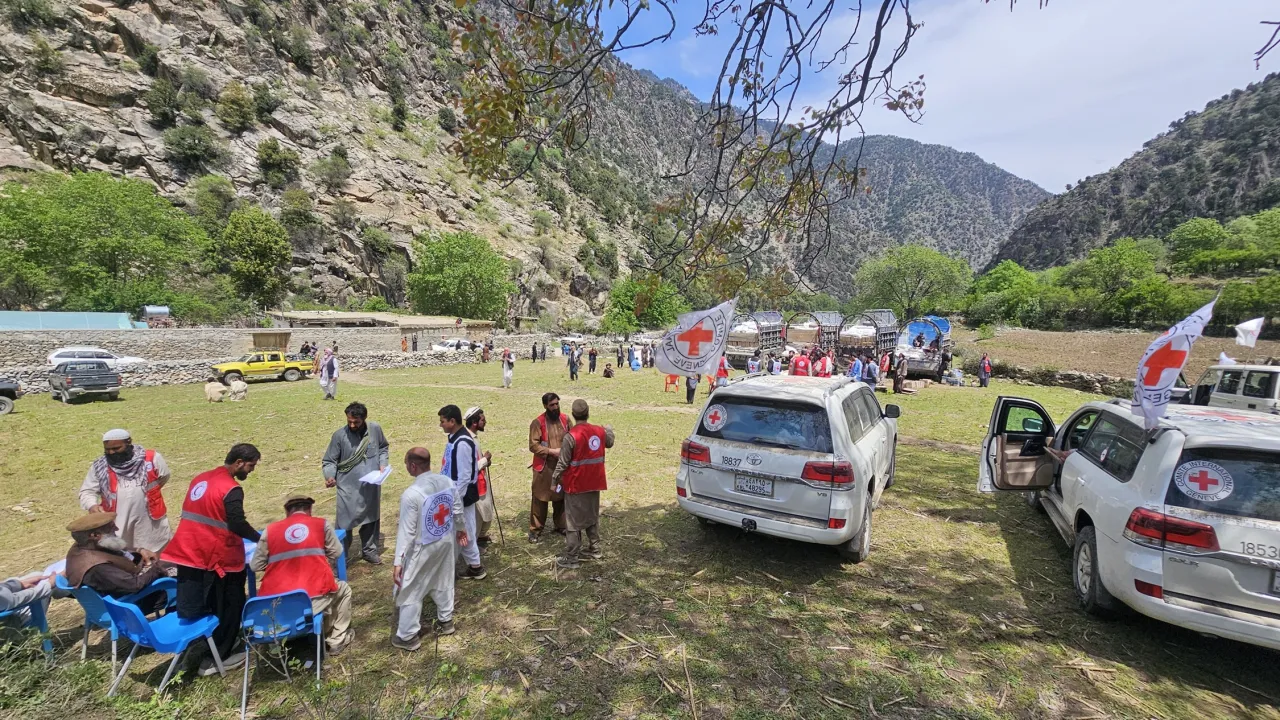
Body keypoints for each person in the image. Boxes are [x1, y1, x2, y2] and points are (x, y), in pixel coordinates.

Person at [160, 443, 263, 676]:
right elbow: (237, 523)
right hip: (215, 558)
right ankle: (218, 657)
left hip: (187, 551)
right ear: (238, 462)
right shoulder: (231, 489)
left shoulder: (201, 478)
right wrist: (261, 539)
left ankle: (207, 644)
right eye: (250, 465)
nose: (251, 470)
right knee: (230, 604)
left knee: (203, 605)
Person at [251, 494, 353, 655]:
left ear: (286, 511)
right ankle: (336, 640)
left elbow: (256, 565)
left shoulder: (270, 530)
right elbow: (337, 552)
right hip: (312, 597)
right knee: (343, 589)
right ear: (309, 509)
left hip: (274, 605)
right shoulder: (321, 524)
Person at [392, 448, 465, 650]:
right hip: (445, 541)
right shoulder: (447, 482)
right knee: (444, 578)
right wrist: (461, 529)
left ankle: (407, 635)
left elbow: (406, 531)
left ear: (413, 466)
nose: (406, 467)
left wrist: (398, 561)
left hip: (422, 547)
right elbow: (457, 508)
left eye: (407, 464)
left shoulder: (411, 495)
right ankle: (446, 620)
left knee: (411, 587)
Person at [80, 429, 172, 553]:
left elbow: (164, 477)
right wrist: (92, 505)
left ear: (129, 443)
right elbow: (87, 491)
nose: (111, 453)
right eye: (107, 450)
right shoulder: (100, 466)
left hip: (150, 522)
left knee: (157, 552)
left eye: (116, 448)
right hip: (118, 523)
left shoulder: (151, 458)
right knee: (124, 554)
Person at [65, 512, 172, 614]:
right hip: (130, 604)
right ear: (95, 535)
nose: (116, 529)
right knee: (183, 580)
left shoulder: (81, 548)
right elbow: (135, 585)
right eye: (111, 528)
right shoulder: (97, 567)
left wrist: (139, 551)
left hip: (120, 595)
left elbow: (118, 552)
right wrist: (157, 568)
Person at [323, 402, 390, 564]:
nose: (352, 425)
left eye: (356, 422)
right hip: (348, 487)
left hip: (371, 485)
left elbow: (383, 448)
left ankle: (369, 551)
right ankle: (341, 557)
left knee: (372, 518)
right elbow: (329, 461)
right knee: (344, 522)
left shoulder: (375, 429)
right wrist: (330, 476)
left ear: (364, 418)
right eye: (349, 421)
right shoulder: (339, 436)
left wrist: (383, 463)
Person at [551, 400, 615, 569]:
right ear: (588, 413)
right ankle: (595, 548)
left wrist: (554, 479)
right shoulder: (599, 432)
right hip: (595, 482)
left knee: (572, 521)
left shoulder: (571, 436)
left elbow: (563, 463)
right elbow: (610, 442)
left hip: (576, 484)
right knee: (592, 516)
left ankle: (572, 557)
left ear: (573, 414)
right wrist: (609, 429)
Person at [439, 405, 486, 580]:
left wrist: (455, 500)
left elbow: (465, 476)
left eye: (443, 421)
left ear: (452, 421)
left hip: (461, 495)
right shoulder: (453, 438)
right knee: (462, 529)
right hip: (454, 493)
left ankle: (475, 566)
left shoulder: (463, 443)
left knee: (465, 529)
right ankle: (472, 565)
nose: (441, 425)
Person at [528, 393, 570, 542]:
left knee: (561, 498)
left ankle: (561, 525)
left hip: (562, 466)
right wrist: (552, 452)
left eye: (557, 404)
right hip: (544, 468)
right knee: (540, 499)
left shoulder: (565, 420)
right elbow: (533, 446)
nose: (555, 407)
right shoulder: (537, 423)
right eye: (552, 405)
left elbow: (572, 438)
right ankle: (535, 530)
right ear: (545, 406)